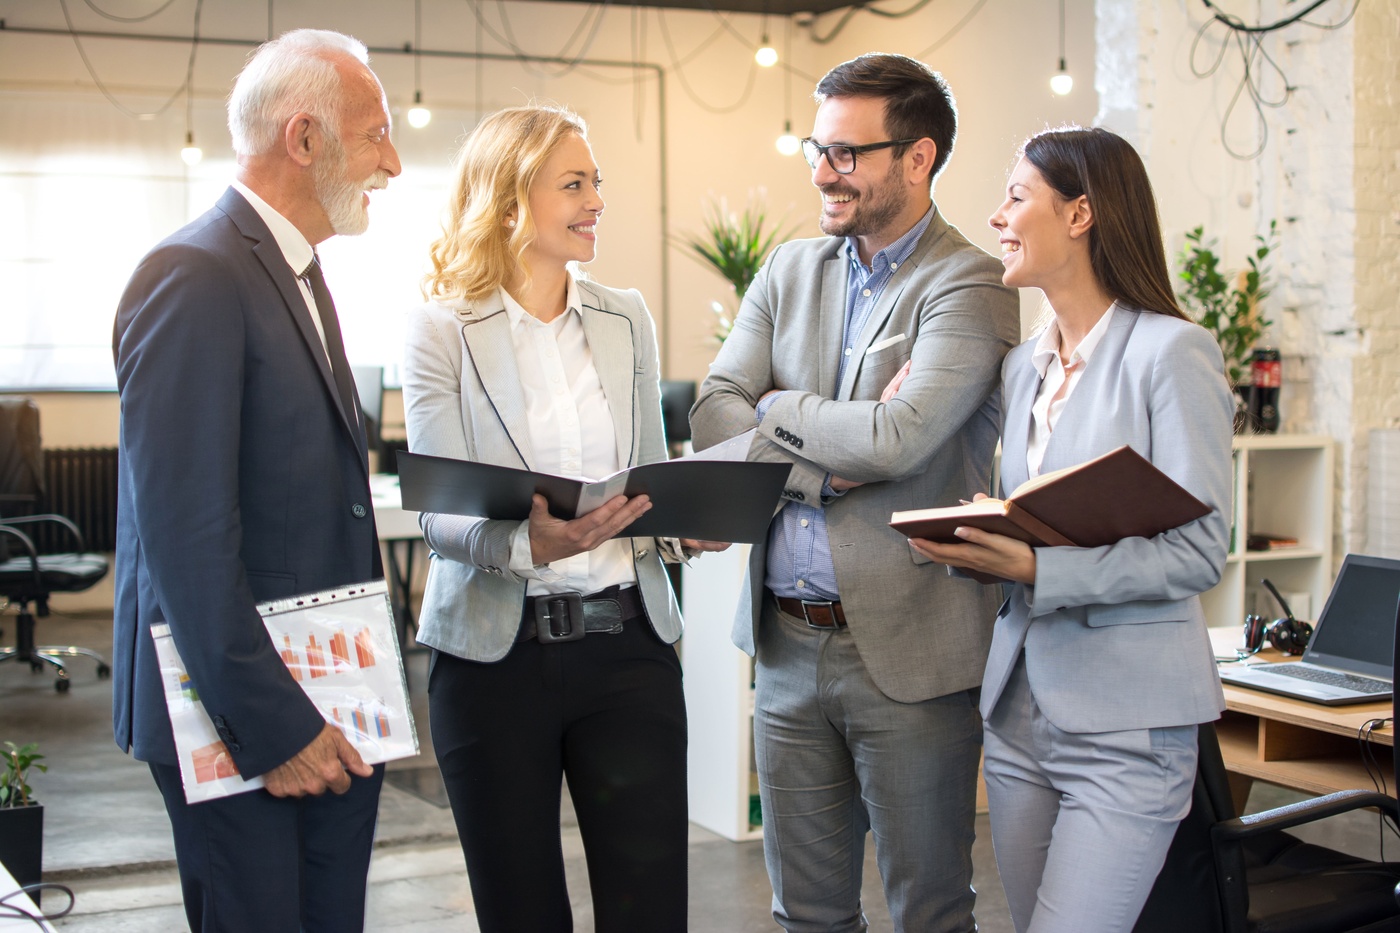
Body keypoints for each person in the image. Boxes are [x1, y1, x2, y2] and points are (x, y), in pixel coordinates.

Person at [690, 53, 1020, 932]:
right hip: (786, 644)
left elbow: (900, 438)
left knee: (931, 909)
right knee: (806, 911)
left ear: (917, 158)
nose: (822, 171)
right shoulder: (789, 268)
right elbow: (712, 411)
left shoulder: (969, 282)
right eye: (817, 148)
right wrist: (830, 447)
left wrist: (778, 408)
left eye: (847, 153)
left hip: (912, 654)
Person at [401, 104, 721, 933]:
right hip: (492, 662)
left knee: (647, 911)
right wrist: (520, 544)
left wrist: (682, 522)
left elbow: (647, 475)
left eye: (597, 183)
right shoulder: (441, 328)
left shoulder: (625, 318)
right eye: (573, 184)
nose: (596, 201)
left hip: (629, 651)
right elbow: (437, 507)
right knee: (520, 910)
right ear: (510, 198)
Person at [111, 29, 400, 933]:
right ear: (305, 138)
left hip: (330, 696)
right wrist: (272, 728)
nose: (391, 162)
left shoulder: (296, 271)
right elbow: (186, 537)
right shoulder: (194, 273)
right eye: (375, 133)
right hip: (247, 719)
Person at [910, 126, 1233, 933]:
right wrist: (972, 544)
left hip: (1128, 725)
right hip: (1020, 713)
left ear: (1082, 212)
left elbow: (1199, 549)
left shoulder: (1171, 353)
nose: (997, 217)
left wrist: (1034, 571)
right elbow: (1024, 515)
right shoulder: (1025, 366)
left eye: (1016, 196)